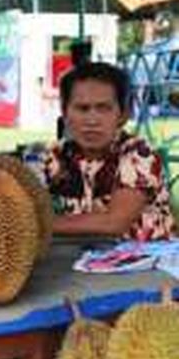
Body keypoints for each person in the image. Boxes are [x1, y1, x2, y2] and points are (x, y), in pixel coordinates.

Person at [43, 62, 175, 241]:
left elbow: (114, 223)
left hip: (148, 263)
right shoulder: (54, 157)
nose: (92, 120)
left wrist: (37, 224)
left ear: (123, 115)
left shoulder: (138, 155)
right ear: (65, 114)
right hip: (75, 261)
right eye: (82, 108)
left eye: (103, 108)